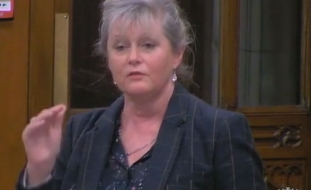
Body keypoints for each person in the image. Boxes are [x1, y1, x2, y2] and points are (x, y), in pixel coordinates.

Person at [16, 0, 267, 189]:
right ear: (108, 59)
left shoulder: (219, 131)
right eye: (121, 47)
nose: (133, 58)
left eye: (148, 45)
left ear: (177, 54)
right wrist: (39, 169)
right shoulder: (81, 132)